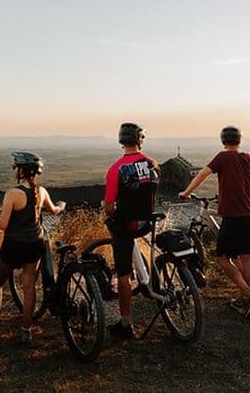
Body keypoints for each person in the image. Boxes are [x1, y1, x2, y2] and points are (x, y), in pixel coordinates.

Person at [179, 125, 250, 318]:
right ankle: (246, 298)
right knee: (245, 257)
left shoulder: (223, 157)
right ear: (239, 140)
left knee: (222, 258)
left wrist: (186, 193)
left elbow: (202, 174)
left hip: (233, 217)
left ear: (223, 141)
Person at [0, 151, 65, 343]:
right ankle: (26, 330)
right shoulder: (41, 191)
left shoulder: (13, 194)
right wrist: (62, 205)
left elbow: (2, 225)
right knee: (29, 287)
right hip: (35, 243)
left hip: (13, 245)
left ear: (21, 170)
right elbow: (54, 210)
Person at [103, 122, 159, 339]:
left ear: (121, 141)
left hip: (127, 225)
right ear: (140, 140)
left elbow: (109, 207)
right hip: (147, 222)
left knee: (123, 274)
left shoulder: (116, 169)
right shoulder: (153, 163)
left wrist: (112, 210)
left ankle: (126, 323)